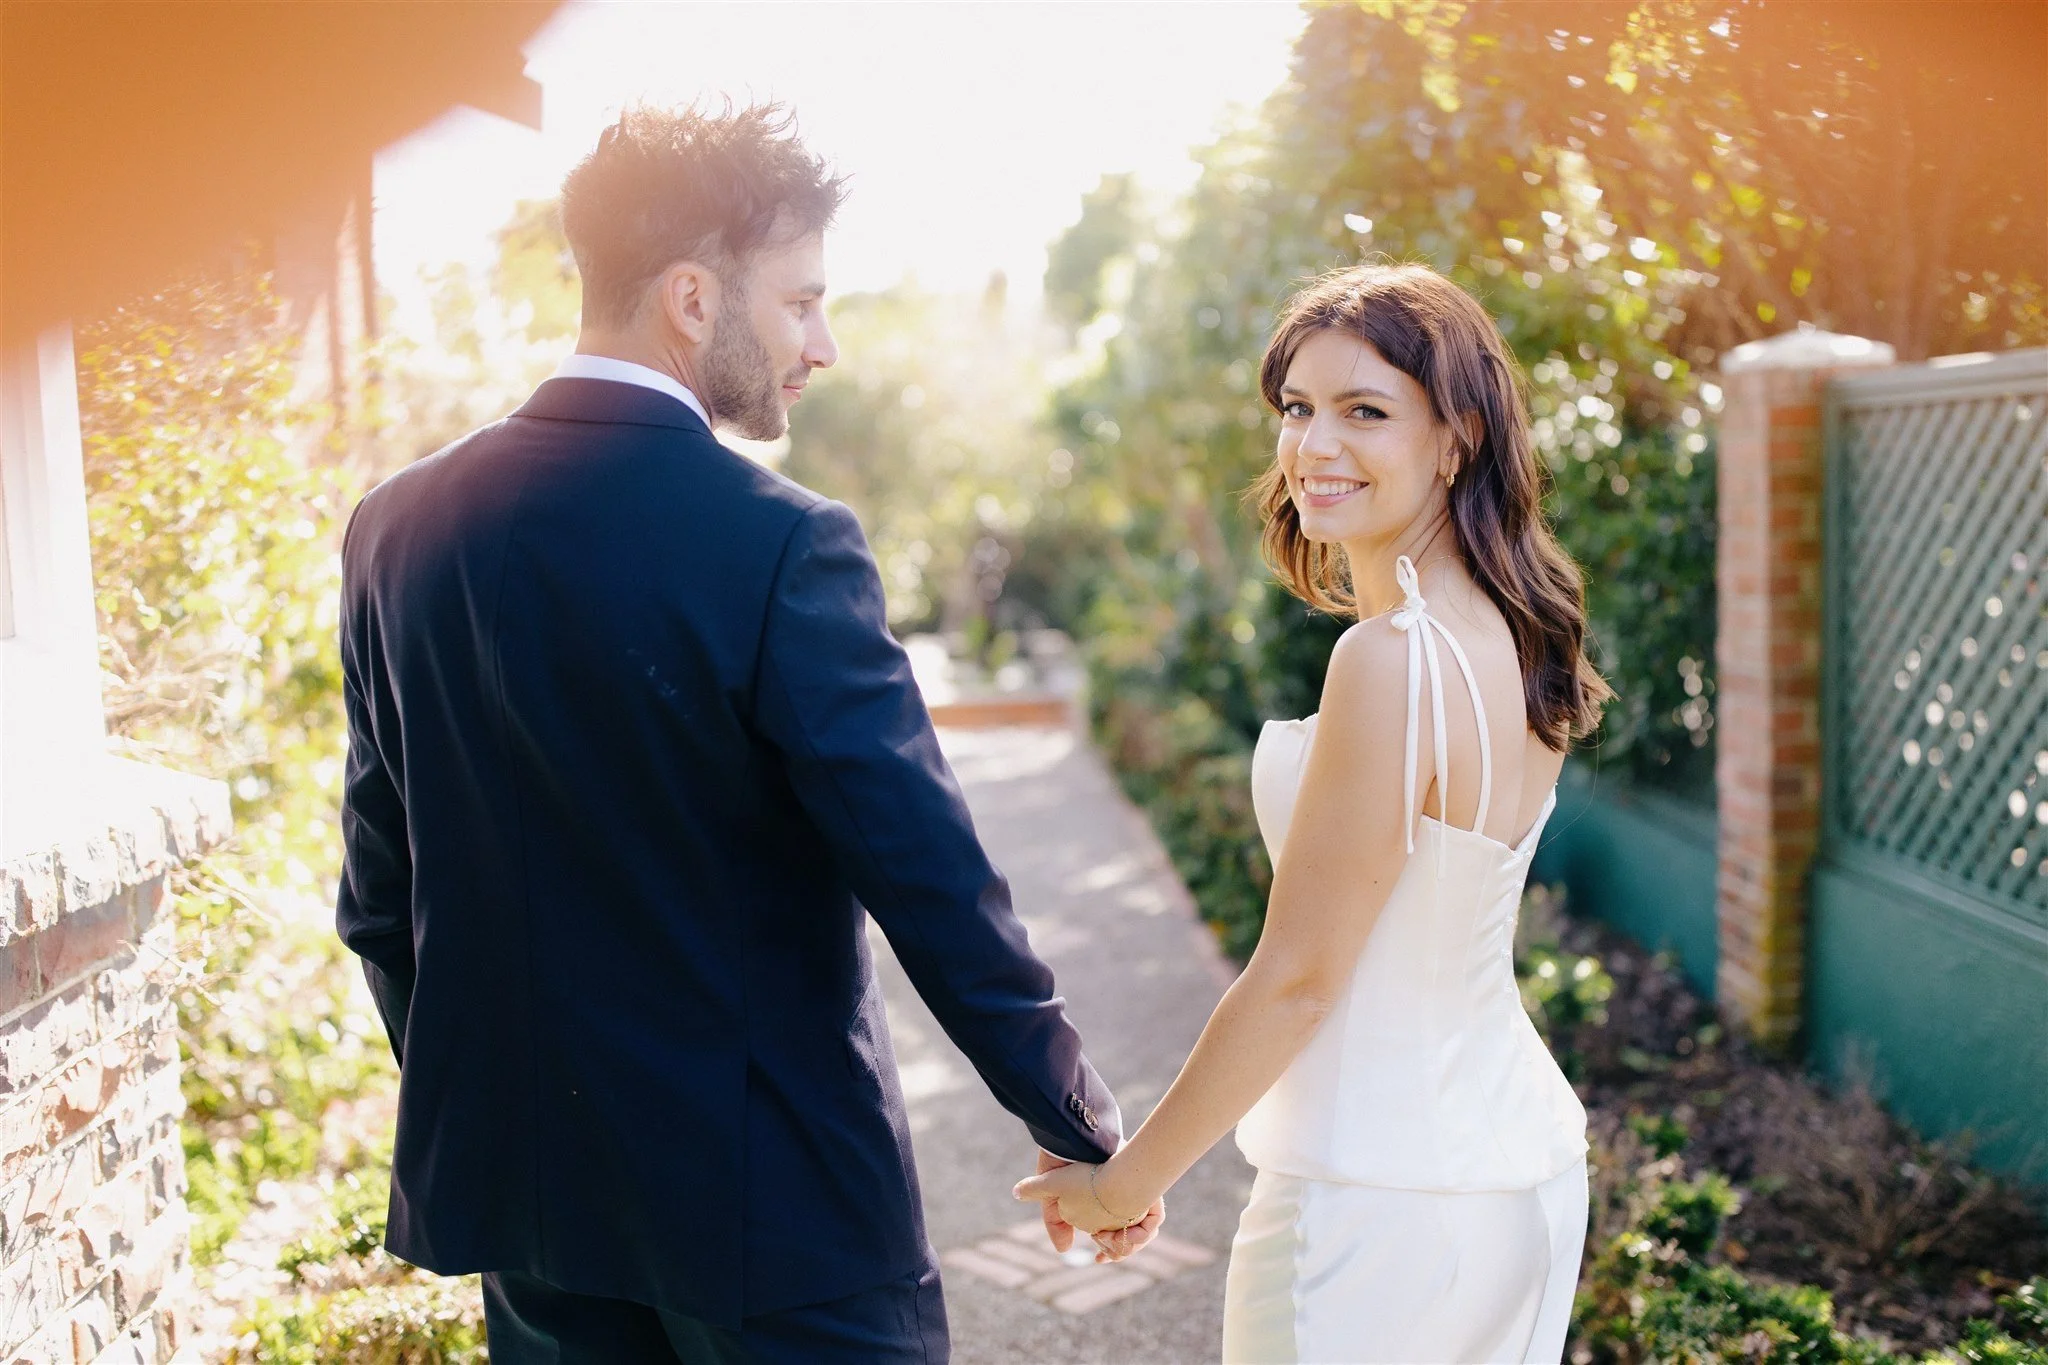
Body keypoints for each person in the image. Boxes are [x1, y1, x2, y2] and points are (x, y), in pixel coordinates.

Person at [335, 103, 1155, 1365]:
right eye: (800, 302)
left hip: (533, 1216)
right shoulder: (779, 542)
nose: (822, 345)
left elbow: (380, 901)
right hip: (772, 1215)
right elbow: (925, 874)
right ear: (689, 299)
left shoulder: (396, 530)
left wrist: (509, 1100)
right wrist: (1072, 1110)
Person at [1016, 262, 1612, 1364]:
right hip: (1514, 1185)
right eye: (1296, 408)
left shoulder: (1388, 661)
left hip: (1374, 1207)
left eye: (1363, 411)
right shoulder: (1514, 638)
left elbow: (1297, 981)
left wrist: (1123, 1183)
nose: (1312, 446)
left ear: (1456, 438)